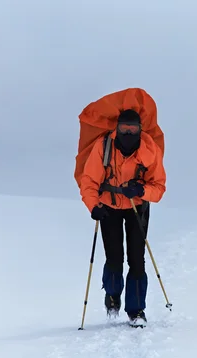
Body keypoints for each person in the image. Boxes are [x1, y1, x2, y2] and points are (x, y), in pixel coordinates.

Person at [78, 108, 166, 326]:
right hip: (108, 206)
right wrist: (93, 207)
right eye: (124, 128)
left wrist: (140, 191)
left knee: (137, 259)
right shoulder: (104, 146)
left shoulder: (149, 150)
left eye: (132, 128)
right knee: (114, 257)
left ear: (140, 129)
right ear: (117, 128)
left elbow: (159, 188)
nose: (128, 133)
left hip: (137, 207)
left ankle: (136, 311)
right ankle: (112, 295)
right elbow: (89, 181)